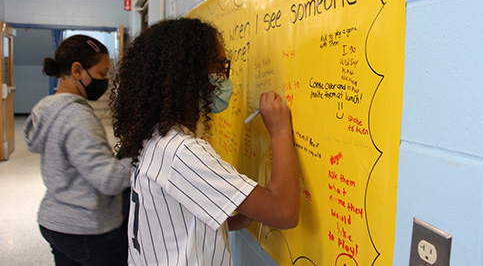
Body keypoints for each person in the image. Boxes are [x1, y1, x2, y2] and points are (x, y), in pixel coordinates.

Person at [110, 18, 300, 265]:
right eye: (219, 67)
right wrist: (280, 131)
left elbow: (170, 218)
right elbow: (283, 213)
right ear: (186, 76)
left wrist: (229, 219)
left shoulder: (152, 138)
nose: (223, 77)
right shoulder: (181, 151)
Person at [23, 35, 131, 266]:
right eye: (102, 74)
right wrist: (138, 156)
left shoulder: (47, 108)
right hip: (87, 227)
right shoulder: (77, 116)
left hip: (55, 221)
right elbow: (109, 180)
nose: (105, 82)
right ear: (77, 70)